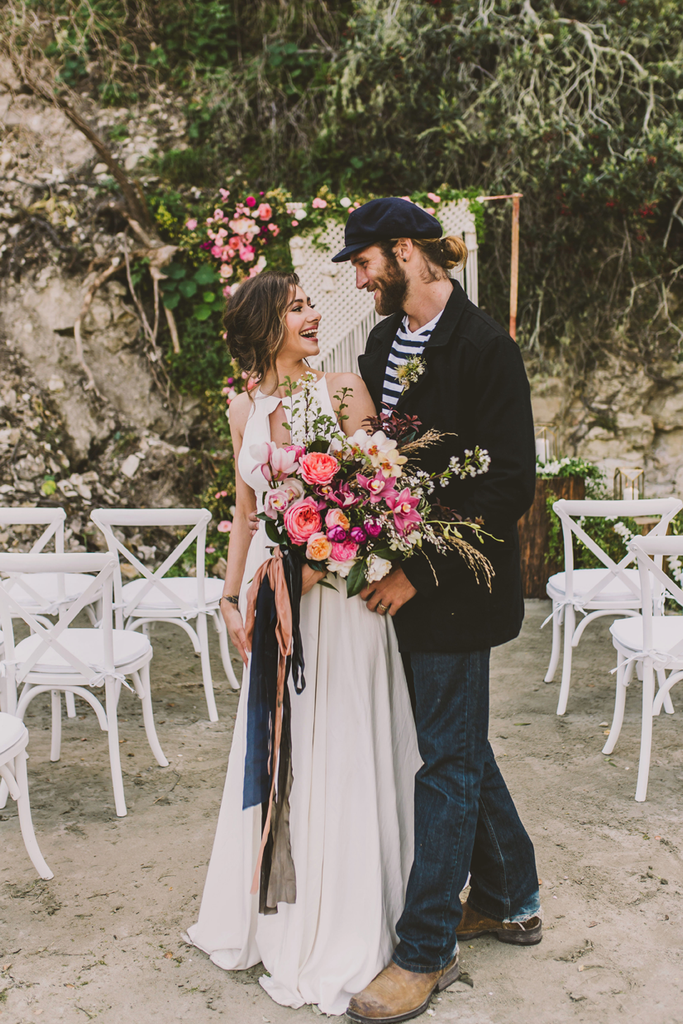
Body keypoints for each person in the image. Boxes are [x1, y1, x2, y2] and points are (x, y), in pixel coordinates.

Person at [184, 271, 421, 1017]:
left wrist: (326, 559)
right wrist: (227, 597)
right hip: (276, 600)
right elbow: (247, 516)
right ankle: (277, 909)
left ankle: (351, 915)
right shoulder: (242, 408)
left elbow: (377, 500)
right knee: (280, 746)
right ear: (265, 324)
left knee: (343, 744)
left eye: (311, 304)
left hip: (338, 605)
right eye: (296, 308)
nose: (313, 315)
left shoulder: (345, 391)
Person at [330, 197, 542, 1024]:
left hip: (456, 588)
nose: (357, 276)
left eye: (363, 261)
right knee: (456, 745)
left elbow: (507, 483)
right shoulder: (382, 341)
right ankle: (511, 896)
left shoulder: (487, 348)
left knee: (444, 766)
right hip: (397, 576)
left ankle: (425, 950)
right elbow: (378, 460)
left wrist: (414, 571)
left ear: (408, 252)